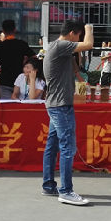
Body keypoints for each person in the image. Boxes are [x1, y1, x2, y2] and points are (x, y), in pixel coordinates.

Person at [42, 20, 93, 205]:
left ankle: (49, 185)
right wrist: (88, 28)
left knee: (53, 145)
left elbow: (74, 67)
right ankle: (66, 191)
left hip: (55, 104)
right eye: (78, 35)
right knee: (67, 146)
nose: (79, 39)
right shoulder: (61, 45)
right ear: (72, 33)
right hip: (61, 106)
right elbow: (88, 45)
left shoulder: (56, 47)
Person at [0, 19, 35, 99]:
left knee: (7, 105)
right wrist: (25, 65)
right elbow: (34, 58)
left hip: (4, 81)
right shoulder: (22, 44)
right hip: (20, 80)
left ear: (3, 31)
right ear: (15, 30)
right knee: (20, 104)